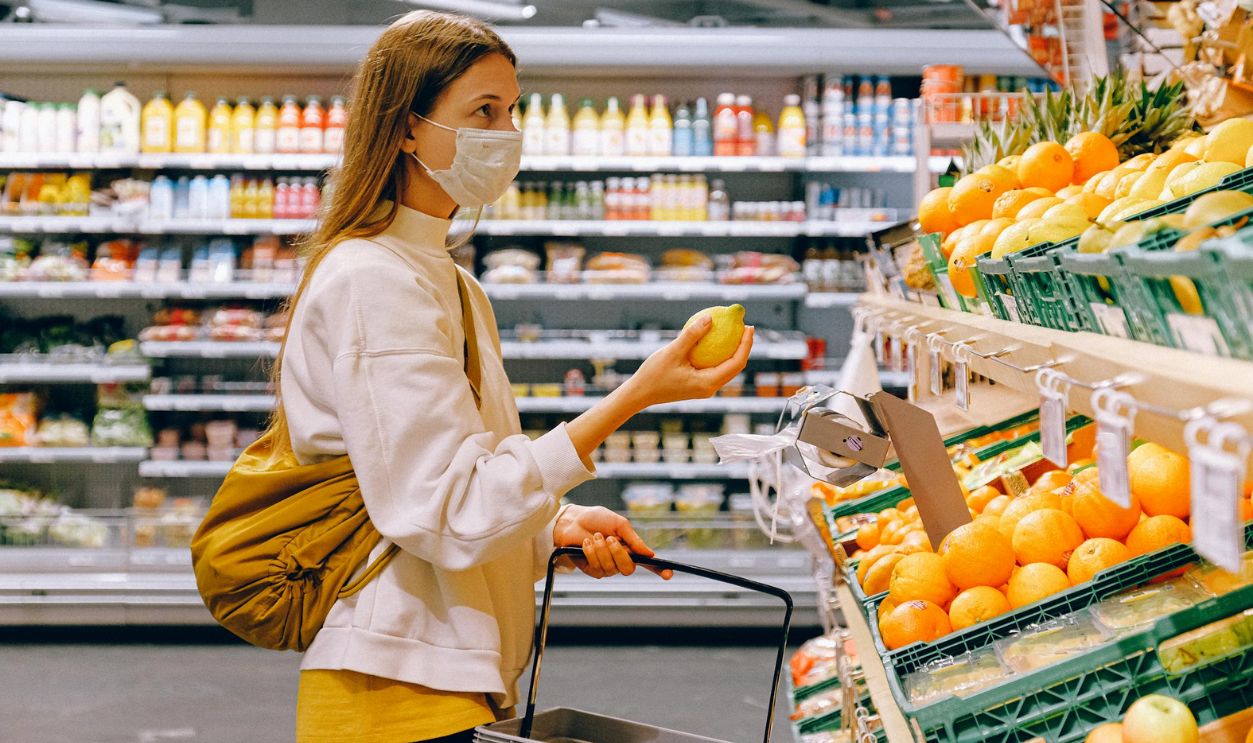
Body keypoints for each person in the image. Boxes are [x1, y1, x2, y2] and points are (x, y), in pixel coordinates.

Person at [273, 10, 754, 743]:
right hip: (395, 685)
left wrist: (548, 529)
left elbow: (461, 483)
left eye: (512, 109)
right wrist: (636, 396)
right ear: (407, 128)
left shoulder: (451, 281)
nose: (506, 133)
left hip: (455, 673)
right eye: (483, 111)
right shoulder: (373, 280)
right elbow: (445, 508)